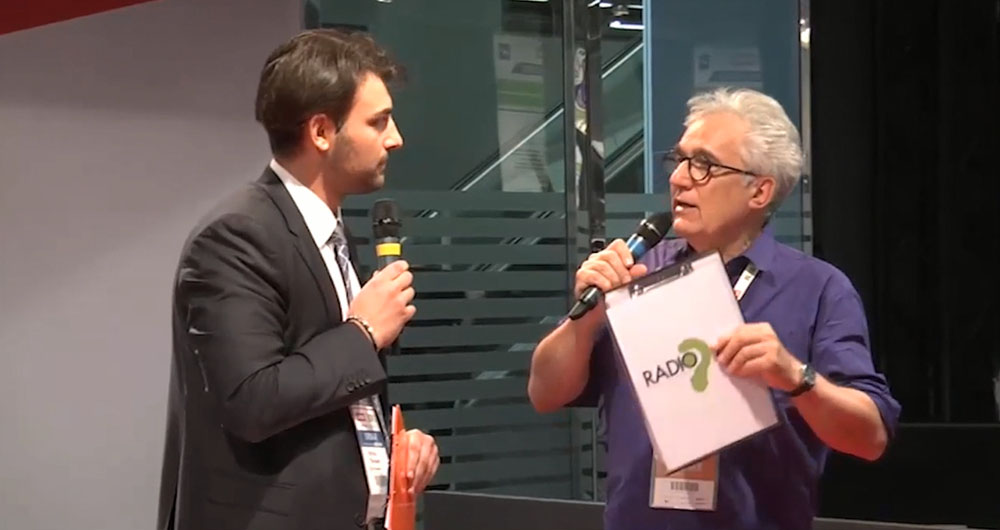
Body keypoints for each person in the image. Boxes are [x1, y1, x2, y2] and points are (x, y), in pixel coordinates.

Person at [527, 87, 900, 530]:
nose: (679, 178)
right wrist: (584, 322)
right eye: (680, 160)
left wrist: (795, 377)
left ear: (760, 190)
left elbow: (870, 438)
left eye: (703, 164)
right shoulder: (636, 274)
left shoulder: (819, 289)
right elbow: (545, 393)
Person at [157, 29, 439, 530]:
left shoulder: (332, 236)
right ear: (322, 132)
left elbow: (328, 397)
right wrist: (364, 333)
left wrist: (390, 451)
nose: (395, 138)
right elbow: (253, 398)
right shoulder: (237, 235)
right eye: (378, 122)